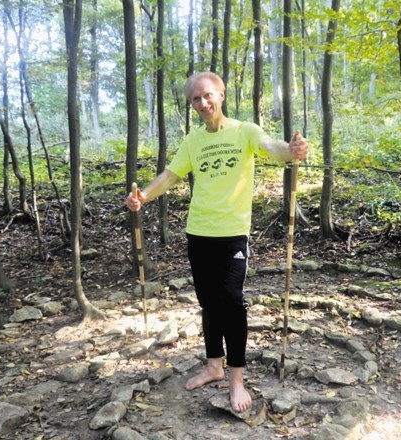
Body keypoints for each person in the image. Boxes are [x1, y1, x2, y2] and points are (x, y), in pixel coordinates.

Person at [126, 71, 308, 413]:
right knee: (209, 303)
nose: (203, 103)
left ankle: (236, 379)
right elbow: (171, 175)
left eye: (208, 95)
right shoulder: (194, 141)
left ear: (221, 95)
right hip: (199, 233)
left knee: (232, 303)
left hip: (232, 234)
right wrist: (143, 196)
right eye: (196, 99)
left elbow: (275, 149)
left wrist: (293, 149)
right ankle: (214, 365)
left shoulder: (245, 131)